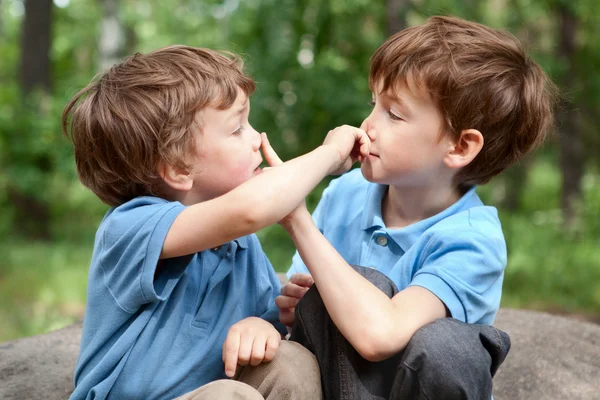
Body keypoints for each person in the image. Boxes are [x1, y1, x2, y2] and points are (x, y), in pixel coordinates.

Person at [62, 45, 370, 400]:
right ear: (178, 168)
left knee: (291, 363)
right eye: (237, 128)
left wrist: (259, 326)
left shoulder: (241, 244)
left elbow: (266, 316)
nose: (257, 138)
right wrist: (329, 154)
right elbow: (252, 209)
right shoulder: (130, 227)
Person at [275, 15, 557, 400]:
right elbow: (298, 308)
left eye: (394, 114)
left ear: (459, 147)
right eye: (373, 103)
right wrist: (294, 305)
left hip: (413, 388)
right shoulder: (346, 194)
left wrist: (297, 219)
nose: (367, 125)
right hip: (333, 380)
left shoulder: (473, 240)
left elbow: (380, 335)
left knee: (444, 343)